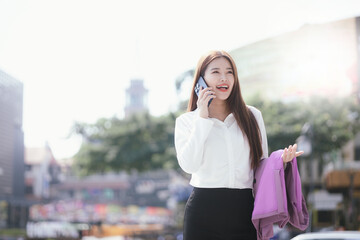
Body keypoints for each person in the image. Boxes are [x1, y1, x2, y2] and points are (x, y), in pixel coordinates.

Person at [174, 50, 303, 240]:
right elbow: (189, 165)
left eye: (229, 72)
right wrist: (202, 117)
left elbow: (260, 164)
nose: (224, 78)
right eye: (216, 72)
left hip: (244, 211)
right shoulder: (187, 121)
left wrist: (280, 161)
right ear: (201, 80)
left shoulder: (252, 116)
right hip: (203, 212)